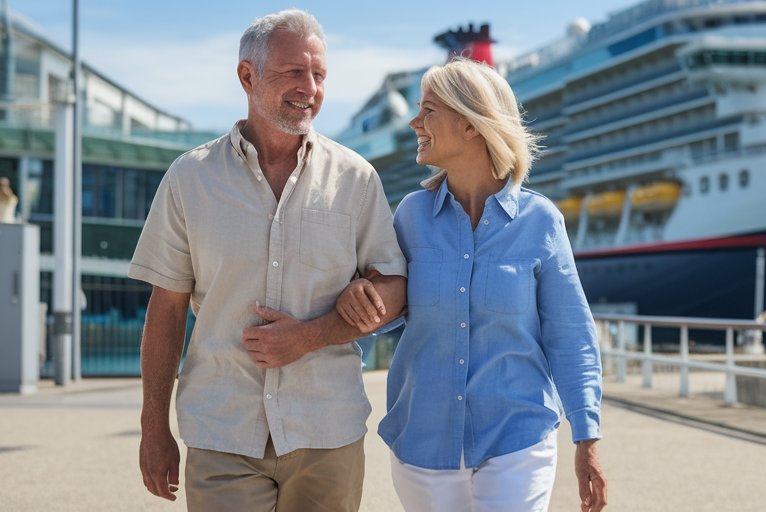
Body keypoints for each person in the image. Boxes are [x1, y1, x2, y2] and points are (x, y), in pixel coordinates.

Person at [128, 9, 406, 512]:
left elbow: (394, 289)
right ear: (247, 76)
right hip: (222, 432)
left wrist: (311, 335)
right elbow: (165, 309)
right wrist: (154, 428)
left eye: (319, 74)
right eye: (293, 72)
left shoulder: (356, 179)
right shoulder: (189, 179)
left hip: (327, 432)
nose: (310, 88)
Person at [353, 57, 607, 512]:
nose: (415, 122)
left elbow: (571, 335)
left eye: (428, 110)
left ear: (471, 124)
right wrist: (358, 300)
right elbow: (381, 314)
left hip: (518, 439)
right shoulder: (410, 215)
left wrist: (586, 436)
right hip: (422, 442)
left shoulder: (540, 221)